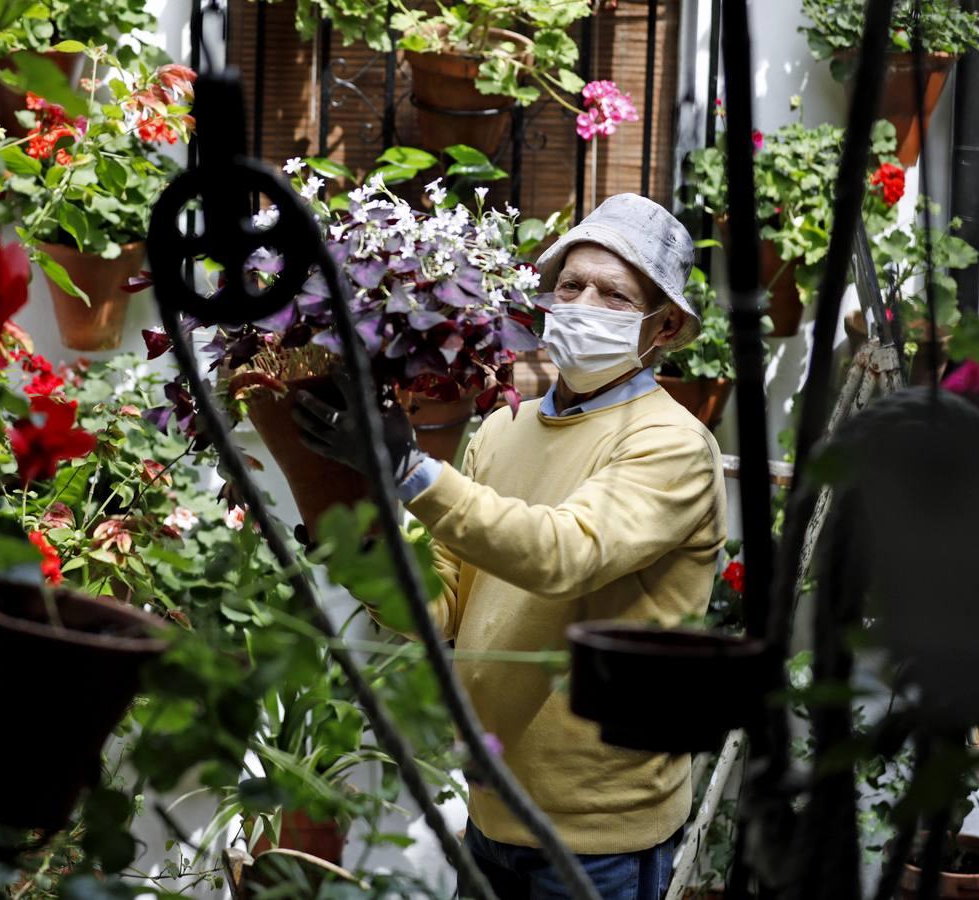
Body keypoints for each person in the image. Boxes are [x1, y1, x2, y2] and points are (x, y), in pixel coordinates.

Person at [294, 193, 728, 900]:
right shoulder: (502, 430)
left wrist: (411, 472)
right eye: (569, 285)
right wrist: (350, 546)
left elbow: (564, 553)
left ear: (667, 326)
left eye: (612, 294)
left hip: (600, 836)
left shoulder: (671, 445)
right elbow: (443, 607)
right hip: (493, 808)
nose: (582, 302)